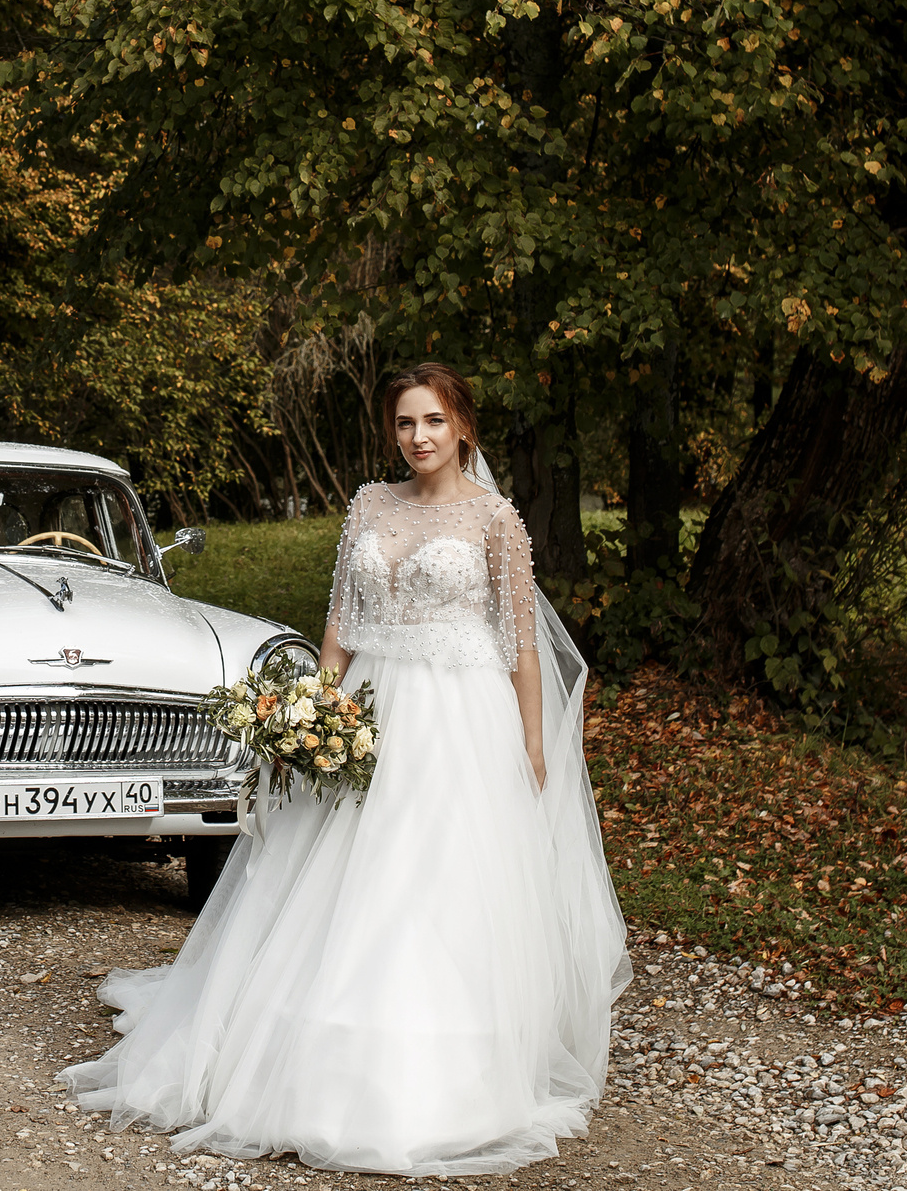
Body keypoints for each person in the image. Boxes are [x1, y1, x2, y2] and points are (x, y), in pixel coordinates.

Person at [61, 362, 630, 1174]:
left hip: (461, 719)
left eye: (433, 421)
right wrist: (315, 714)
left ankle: (436, 1065)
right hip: (370, 709)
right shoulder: (369, 503)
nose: (419, 437)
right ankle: (302, 1045)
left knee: (432, 882)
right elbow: (339, 626)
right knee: (333, 877)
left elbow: (523, 646)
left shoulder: (495, 520)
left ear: (461, 425)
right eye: (405, 423)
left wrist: (534, 745)